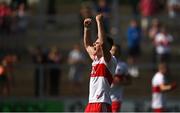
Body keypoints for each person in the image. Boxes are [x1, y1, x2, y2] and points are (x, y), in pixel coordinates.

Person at [83, 14, 116, 112]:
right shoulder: (96, 59)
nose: (94, 44)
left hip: (101, 103)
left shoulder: (109, 60)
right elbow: (87, 45)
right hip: (92, 102)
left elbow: (102, 43)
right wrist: (86, 29)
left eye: (96, 43)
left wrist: (99, 22)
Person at [110, 45, 131, 112]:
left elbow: (129, 81)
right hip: (104, 97)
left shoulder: (123, 65)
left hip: (116, 97)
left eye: (116, 51)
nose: (114, 52)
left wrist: (120, 82)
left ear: (119, 53)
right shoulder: (105, 63)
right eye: (112, 50)